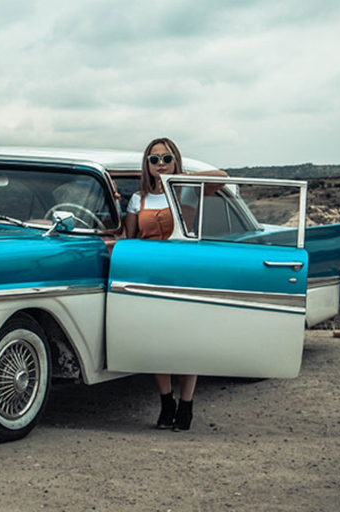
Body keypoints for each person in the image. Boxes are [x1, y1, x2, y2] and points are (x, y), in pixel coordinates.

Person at [124, 137, 227, 431]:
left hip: (183, 271)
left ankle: (187, 404)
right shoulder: (138, 199)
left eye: (166, 158)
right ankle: (166, 401)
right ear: (146, 164)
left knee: (186, 341)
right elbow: (129, 240)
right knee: (159, 341)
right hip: (150, 275)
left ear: (175, 160)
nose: (160, 164)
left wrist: (182, 177)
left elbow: (222, 178)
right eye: (153, 159)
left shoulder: (187, 193)